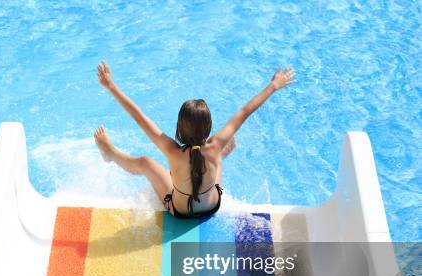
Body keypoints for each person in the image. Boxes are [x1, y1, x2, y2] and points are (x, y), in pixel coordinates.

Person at [94, 61, 295, 218]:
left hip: (180, 212)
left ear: (179, 129)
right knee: (227, 144)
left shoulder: (171, 150)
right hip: (212, 206)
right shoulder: (216, 144)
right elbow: (246, 110)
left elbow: (138, 115)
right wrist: (273, 85)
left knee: (146, 162)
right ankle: (217, 161)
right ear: (208, 128)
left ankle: (111, 154)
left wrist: (111, 85)